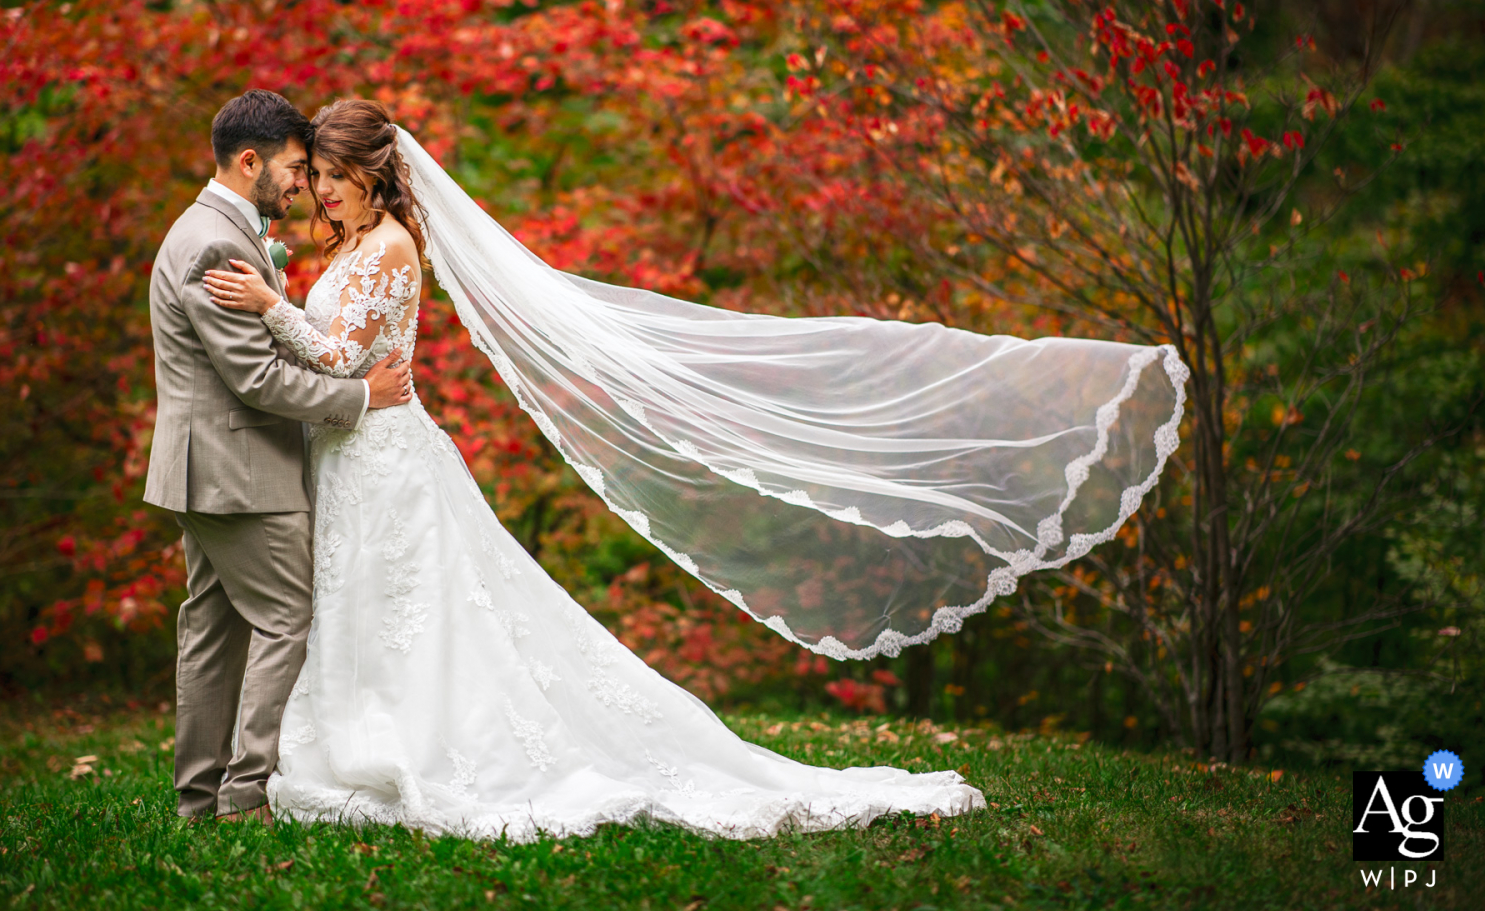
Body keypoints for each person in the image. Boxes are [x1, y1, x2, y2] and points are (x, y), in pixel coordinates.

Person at [202, 95, 1186, 839]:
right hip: (352, 454)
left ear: (374, 172)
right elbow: (337, 358)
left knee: (410, 607)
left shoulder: (389, 253)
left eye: (330, 174)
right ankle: (333, 741)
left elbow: (339, 358)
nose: (315, 190)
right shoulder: (346, 249)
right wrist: (282, 301)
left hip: (383, 456)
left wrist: (268, 308)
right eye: (312, 176)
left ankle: (408, 747)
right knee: (358, 606)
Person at [145, 90, 414, 824]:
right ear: (250, 160)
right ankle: (239, 796)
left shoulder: (224, 229)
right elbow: (257, 378)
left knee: (213, 629)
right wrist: (360, 397)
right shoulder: (215, 241)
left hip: (207, 467)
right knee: (287, 616)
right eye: (297, 169)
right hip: (239, 474)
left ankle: (199, 799)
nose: (305, 185)